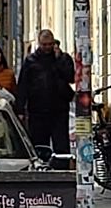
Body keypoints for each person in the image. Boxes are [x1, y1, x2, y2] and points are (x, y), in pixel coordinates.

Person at [15, 30, 76, 158]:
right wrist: (20, 109)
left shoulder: (63, 58)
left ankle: (62, 167)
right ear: (39, 44)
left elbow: (70, 77)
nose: (47, 48)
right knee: (39, 144)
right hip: (38, 109)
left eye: (50, 44)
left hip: (59, 108)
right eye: (44, 45)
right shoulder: (31, 61)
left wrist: (59, 59)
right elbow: (23, 86)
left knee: (61, 144)